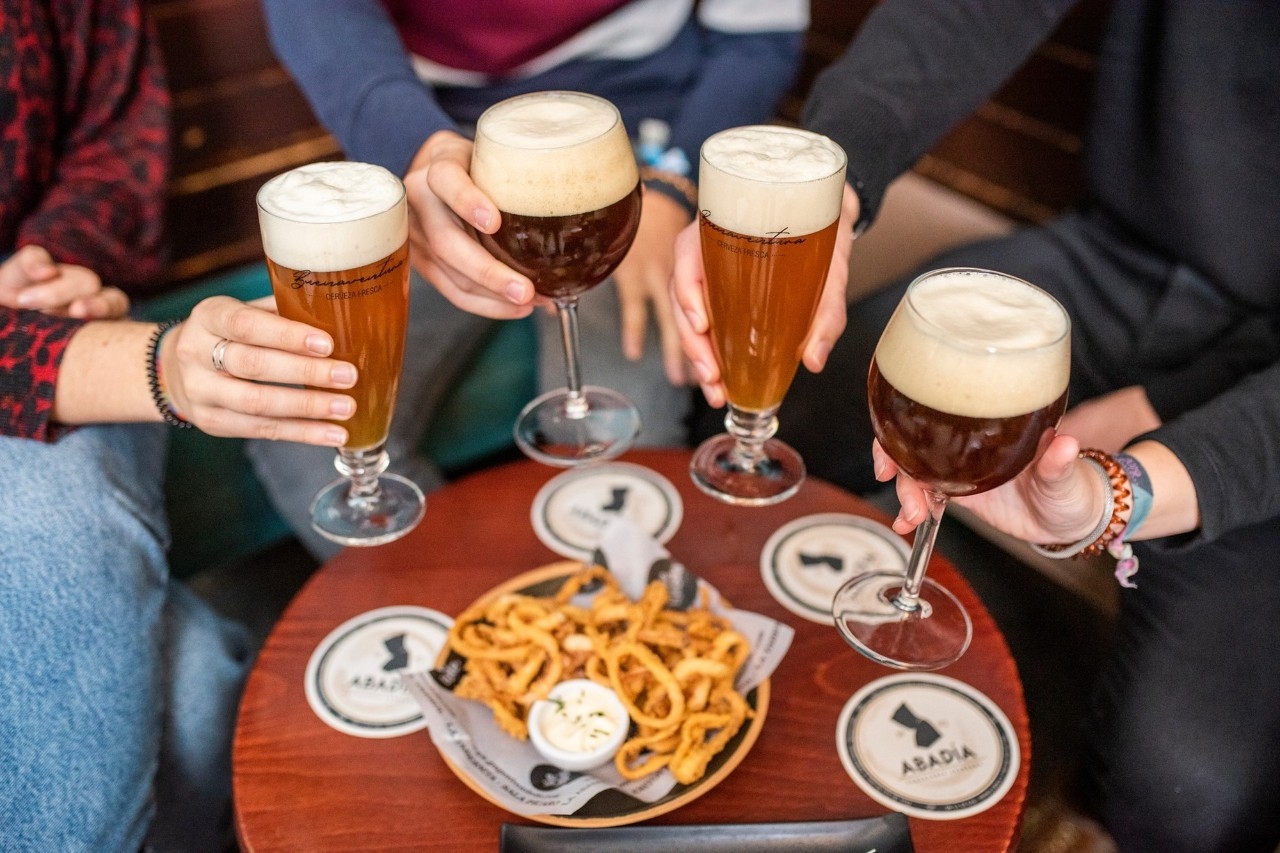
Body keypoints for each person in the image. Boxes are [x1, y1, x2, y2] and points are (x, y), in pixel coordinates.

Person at [671, 1, 1280, 850]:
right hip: (1122, 259)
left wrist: (1139, 475)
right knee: (783, 411)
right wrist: (828, 191)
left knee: (1185, 794)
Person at [249, 0, 809, 560]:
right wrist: (415, 145)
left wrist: (673, 185)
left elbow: (758, 35)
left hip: (630, 160)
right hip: (434, 143)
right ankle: (480, 623)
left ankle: (614, 620)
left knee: (619, 450)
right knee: (305, 430)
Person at [0, 2, 362, 850]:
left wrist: (53, 271)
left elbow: (113, 149)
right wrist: (153, 367)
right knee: (197, 687)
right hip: (81, 354)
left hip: (61, 323)